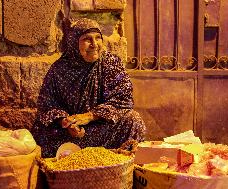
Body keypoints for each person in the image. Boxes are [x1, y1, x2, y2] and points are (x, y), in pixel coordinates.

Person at [31, 18, 146, 158]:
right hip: (69, 133)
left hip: (99, 129)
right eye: (87, 39)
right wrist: (66, 122)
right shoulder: (59, 69)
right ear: (74, 43)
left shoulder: (110, 63)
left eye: (98, 38)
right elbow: (46, 105)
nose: (94, 44)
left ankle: (119, 163)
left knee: (133, 120)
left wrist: (89, 116)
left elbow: (122, 100)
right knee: (40, 132)